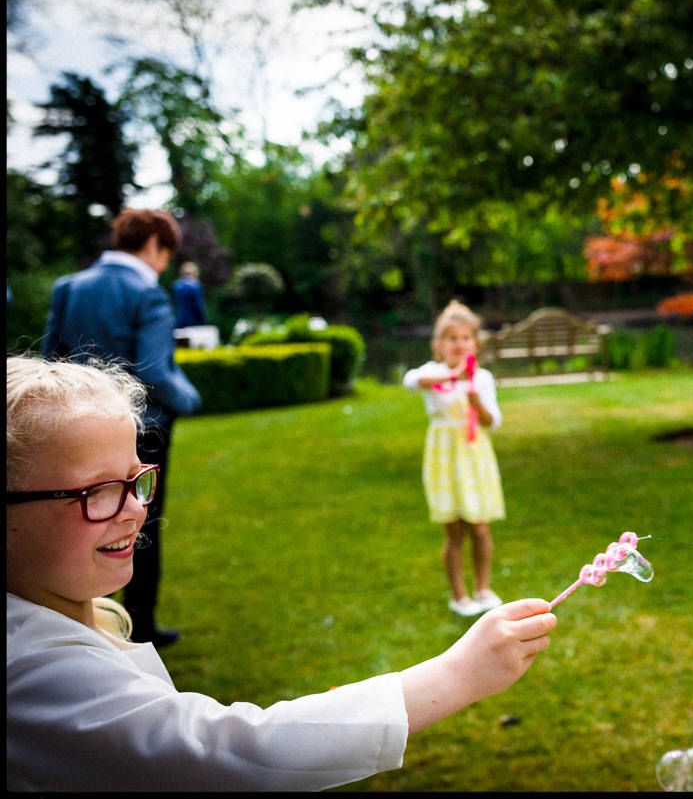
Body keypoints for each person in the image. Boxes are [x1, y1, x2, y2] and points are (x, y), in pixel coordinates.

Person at [5, 356, 557, 791]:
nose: (133, 508)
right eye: (96, 492)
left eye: (136, 479)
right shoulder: (31, 675)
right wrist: (459, 674)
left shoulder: (58, 617)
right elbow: (234, 756)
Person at [43, 208, 202, 648]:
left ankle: (81, 624)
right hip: (140, 433)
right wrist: (192, 399)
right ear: (154, 244)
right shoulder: (147, 293)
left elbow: (48, 360)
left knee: (84, 523)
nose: (164, 263)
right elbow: (155, 373)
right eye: (165, 253)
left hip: (74, 431)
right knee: (140, 523)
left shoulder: (69, 287)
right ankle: (137, 627)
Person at [403, 301, 506, 618]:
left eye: (465, 338)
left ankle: (483, 588)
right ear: (438, 345)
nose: (459, 344)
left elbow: (494, 422)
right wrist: (453, 379)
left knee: (480, 528)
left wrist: (476, 402)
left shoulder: (483, 379)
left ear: (475, 344)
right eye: (451, 338)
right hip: (446, 460)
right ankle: (459, 595)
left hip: (474, 458)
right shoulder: (434, 374)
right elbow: (409, 381)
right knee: (455, 531)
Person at [172, 261, 208, 328]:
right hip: (195, 321)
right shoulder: (195, 286)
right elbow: (199, 305)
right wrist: (204, 320)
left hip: (180, 319)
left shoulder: (177, 286)